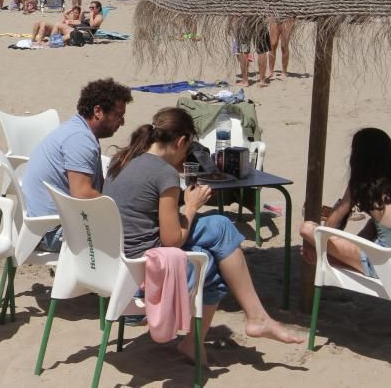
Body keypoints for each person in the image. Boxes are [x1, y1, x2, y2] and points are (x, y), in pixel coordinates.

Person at [105, 107, 303, 363]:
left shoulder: (122, 159)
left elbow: (141, 214)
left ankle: (238, 325)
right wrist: (191, 206)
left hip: (114, 267)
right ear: (181, 141)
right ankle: (248, 321)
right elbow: (172, 240)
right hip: (145, 273)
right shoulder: (162, 173)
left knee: (218, 233)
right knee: (217, 248)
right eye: (187, 149)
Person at [22, 78, 133, 251]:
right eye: (119, 115)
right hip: (52, 233)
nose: (122, 122)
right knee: (136, 238)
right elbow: (82, 194)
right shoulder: (80, 139)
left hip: (43, 227)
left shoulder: (77, 130)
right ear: (98, 111)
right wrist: (120, 210)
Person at [300, 128, 391, 277]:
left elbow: (330, 227)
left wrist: (320, 246)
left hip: (386, 267)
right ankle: (330, 259)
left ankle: (326, 258)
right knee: (376, 225)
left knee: (307, 229)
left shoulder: (362, 186)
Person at [234, 18, 271, 87]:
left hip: (244, 22)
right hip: (259, 20)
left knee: (244, 51)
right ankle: (262, 80)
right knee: (262, 51)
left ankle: (245, 80)